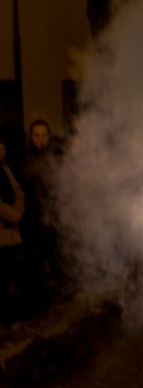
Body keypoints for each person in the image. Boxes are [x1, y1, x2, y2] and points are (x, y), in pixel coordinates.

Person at [21, 119, 66, 307]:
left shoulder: (55, 157)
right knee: (36, 255)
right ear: (31, 137)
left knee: (56, 252)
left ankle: (61, 289)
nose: (40, 139)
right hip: (33, 215)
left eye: (44, 135)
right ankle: (37, 297)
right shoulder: (26, 159)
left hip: (54, 212)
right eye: (36, 135)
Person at [0, 141, 25, 324]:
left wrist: (18, 210)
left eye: (2, 146)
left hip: (9, 232)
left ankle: (6, 312)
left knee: (6, 275)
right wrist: (14, 215)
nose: (0, 150)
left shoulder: (5, 169)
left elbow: (18, 192)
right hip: (3, 230)